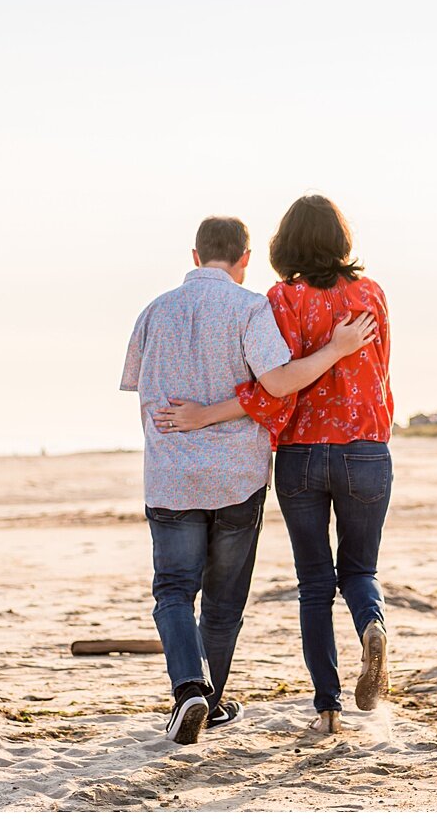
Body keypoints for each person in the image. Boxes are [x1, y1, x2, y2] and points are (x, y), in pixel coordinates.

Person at [120, 215, 375, 745]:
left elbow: (136, 387)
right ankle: (208, 703)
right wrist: (333, 351)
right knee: (223, 602)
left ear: (194, 256)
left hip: (170, 478)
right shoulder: (252, 308)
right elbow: (279, 383)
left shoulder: (153, 311)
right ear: (244, 260)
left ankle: (190, 688)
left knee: (172, 589)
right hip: (238, 477)